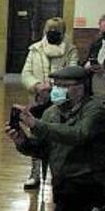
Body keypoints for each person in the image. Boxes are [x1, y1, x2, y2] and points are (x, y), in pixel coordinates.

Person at [7, 65, 105, 211]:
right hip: (63, 182)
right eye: (56, 85)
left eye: (64, 86)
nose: (57, 90)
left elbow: (79, 134)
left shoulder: (95, 110)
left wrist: (37, 125)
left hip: (88, 181)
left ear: (80, 88)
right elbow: (43, 149)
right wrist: (22, 142)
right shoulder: (52, 113)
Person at [19, 17, 79, 190]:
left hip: (62, 101)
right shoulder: (35, 49)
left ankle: (60, 172)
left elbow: (73, 72)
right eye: (49, 31)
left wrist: (53, 86)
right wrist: (37, 86)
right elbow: (26, 73)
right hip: (38, 100)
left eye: (56, 32)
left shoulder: (71, 50)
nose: (52, 35)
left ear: (62, 33)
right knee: (36, 135)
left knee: (60, 137)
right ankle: (35, 172)